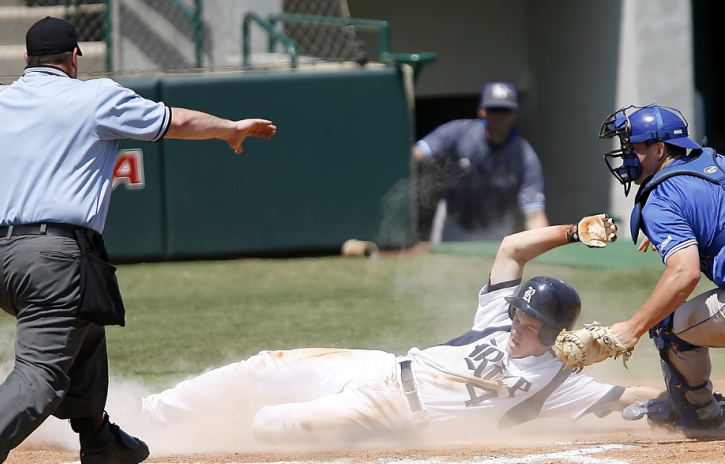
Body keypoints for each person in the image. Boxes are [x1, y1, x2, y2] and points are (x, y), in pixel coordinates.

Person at [0, 16, 276, 464]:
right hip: (54, 258)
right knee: (40, 377)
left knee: (87, 324)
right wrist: (229, 128)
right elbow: (179, 121)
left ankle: (100, 439)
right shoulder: (96, 96)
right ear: (75, 57)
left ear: (26, 59)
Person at [137, 216, 661, 446]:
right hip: (382, 367)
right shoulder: (497, 322)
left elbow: (629, 394)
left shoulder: (560, 382)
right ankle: (149, 417)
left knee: (270, 426)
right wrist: (573, 231)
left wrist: (691, 394)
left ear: (554, 333)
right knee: (262, 367)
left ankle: (201, 437)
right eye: (517, 316)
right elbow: (510, 248)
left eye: (529, 325)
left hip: (393, 412)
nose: (516, 328)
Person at [598, 104, 725, 436]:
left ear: (659, 149)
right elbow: (708, 212)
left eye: (633, 148)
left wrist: (634, 327)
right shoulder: (717, 163)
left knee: (666, 325)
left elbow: (685, 273)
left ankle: (702, 415)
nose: (626, 156)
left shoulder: (661, 198)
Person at [412, 81, 549, 243]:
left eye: (506, 110)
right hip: (452, 225)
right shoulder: (457, 132)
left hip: (496, 231)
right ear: (482, 111)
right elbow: (416, 154)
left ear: (515, 113)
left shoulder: (525, 157)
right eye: (493, 109)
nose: (499, 115)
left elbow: (534, 214)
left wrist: (545, 251)